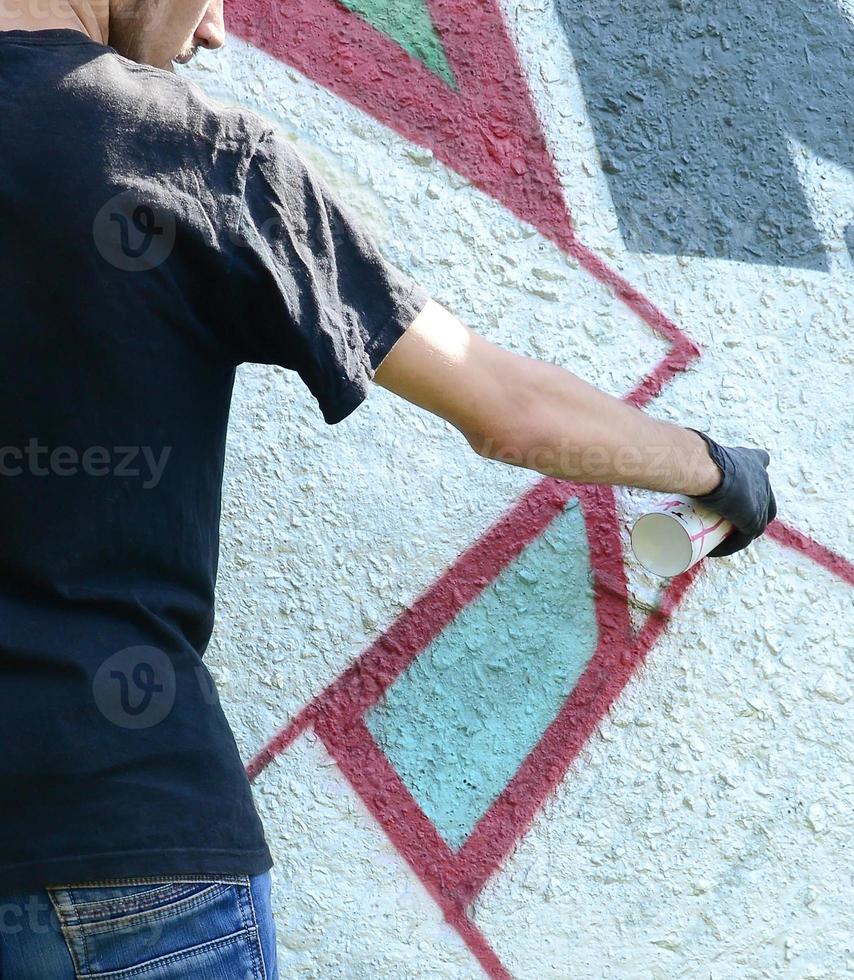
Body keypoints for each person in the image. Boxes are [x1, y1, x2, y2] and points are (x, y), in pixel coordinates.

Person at [0, 1, 778, 976]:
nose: (215, 32)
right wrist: (714, 466)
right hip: (124, 839)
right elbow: (506, 405)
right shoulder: (186, 152)